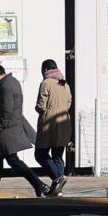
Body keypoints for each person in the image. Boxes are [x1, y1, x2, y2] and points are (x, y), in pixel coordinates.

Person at [0, 65, 51, 199]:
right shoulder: (11, 82)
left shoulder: (5, 87)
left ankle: (39, 185)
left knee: (13, 161)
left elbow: (6, 110)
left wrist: (0, 126)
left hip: (7, 132)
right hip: (10, 129)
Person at [35, 59, 72, 197]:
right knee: (57, 155)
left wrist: (38, 109)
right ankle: (57, 189)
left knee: (40, 153)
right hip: (64, 122)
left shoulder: (46, 83)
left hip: (49, 123)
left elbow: (41, 106)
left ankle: (58, 177)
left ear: (45, 70)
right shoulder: (64, 84)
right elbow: (68, 104)